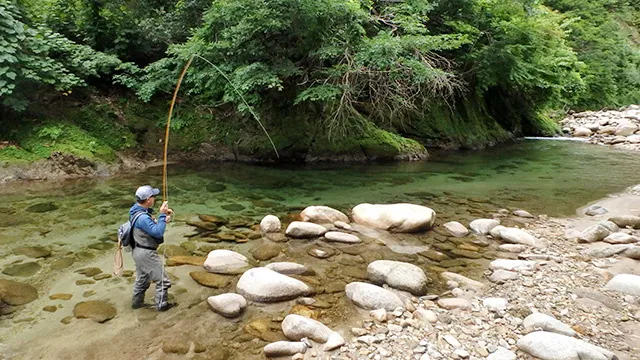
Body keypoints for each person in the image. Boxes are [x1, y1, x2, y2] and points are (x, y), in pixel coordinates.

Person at [129, 185, 175, 311]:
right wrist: (162, 215)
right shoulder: (143, 218)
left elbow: (149, 227)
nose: (155, 198)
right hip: (146, 253)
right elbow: (158, 233)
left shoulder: (135, 210)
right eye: (153, 196)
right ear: (148, 199)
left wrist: (162, 220)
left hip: (137, 251)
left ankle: (136, 305)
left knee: (142, 280)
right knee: (163, 281)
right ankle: (161, 307)